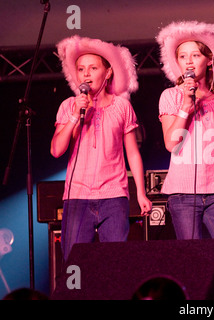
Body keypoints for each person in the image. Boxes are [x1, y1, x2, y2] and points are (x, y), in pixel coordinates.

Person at [51, 35, 152, 261]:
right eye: (81, 69)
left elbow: (132, 153)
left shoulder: (122, 106)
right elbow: (56, 150)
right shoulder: (68, 106)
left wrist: (141, 192)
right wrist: (75, 116)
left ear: (107, 73)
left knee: (115, 263)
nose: (86, 74)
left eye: (93, 68)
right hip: (77, 197)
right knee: (74, 265)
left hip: (114, 196)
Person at [155, 21, 214, 260]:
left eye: (195, 55)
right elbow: (172, 144)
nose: (189, 61)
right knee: (193, 262)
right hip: (183, 194)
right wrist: (185, 106)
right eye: (182, 56)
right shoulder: (170, 96)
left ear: (209, 59)